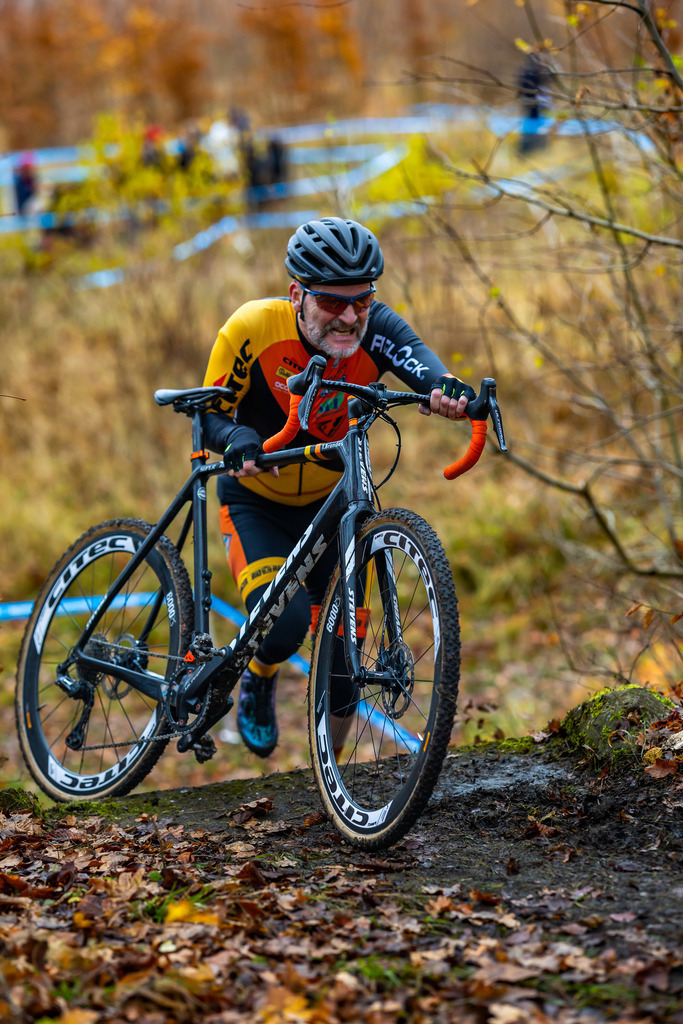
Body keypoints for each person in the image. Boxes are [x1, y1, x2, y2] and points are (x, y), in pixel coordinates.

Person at [202, 216, 474, 759]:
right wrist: (236, 438)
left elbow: (427, 370)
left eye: (362, 300)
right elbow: (207, 410)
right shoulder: (253, 328)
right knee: (283, 630)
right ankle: (259, 673)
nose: (350, 316)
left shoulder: (377, 329)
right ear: (297, 294)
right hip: (260, 503)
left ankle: (329, 789)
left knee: (348, 662)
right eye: (331, 302)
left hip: (336, 509)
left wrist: (454, 395)